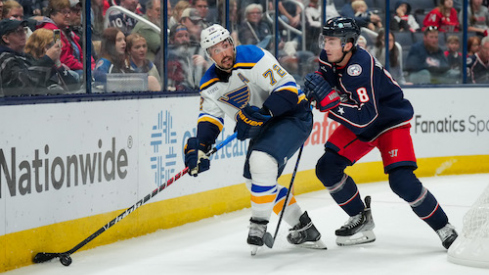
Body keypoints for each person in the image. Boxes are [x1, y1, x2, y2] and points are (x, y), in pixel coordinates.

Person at [303, 17, 458, 249]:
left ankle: (444, 227)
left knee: (402, 182)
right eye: (325, 40)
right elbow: (327, 83)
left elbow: (366, 116)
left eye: (332, 41)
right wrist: (314, 88)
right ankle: (360, 217)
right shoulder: (329, 56)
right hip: (361, 122)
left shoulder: (360, 67)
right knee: (327, 168)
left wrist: (332, 104)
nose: (326, 45)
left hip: (389, 122)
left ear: (348, 44)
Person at [184, 24, 324, 255]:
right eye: (216, 50)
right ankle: (304, 226)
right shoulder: (209, 83)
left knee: (261, 161)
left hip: (293, 115)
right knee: (255, 181)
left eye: (226, 45)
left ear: (232, 42)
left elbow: (288, 89)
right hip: (265, 125)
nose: (224, 53)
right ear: (209, 55)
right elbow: (211, 117)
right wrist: (201, 146)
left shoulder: (253, 56)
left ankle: (258, 225)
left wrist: (265, 112)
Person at [0, 19, 66, 95]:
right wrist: (47, 60)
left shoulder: (26, 57)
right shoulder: (4, 58)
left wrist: (58, 67)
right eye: (18, 31)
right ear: (6, 39)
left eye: (24, 30)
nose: (23, 34)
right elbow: (21, 84)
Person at [38, 0, 84, 76]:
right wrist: (85, 68)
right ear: (52, 14)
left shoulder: (67, 31)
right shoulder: (52, 31)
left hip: (76, 69)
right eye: (64, 12)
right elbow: (64, 59)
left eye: (69, 12)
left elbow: (82, 54)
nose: (68, 16)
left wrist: (91, 67)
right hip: (61, 73)